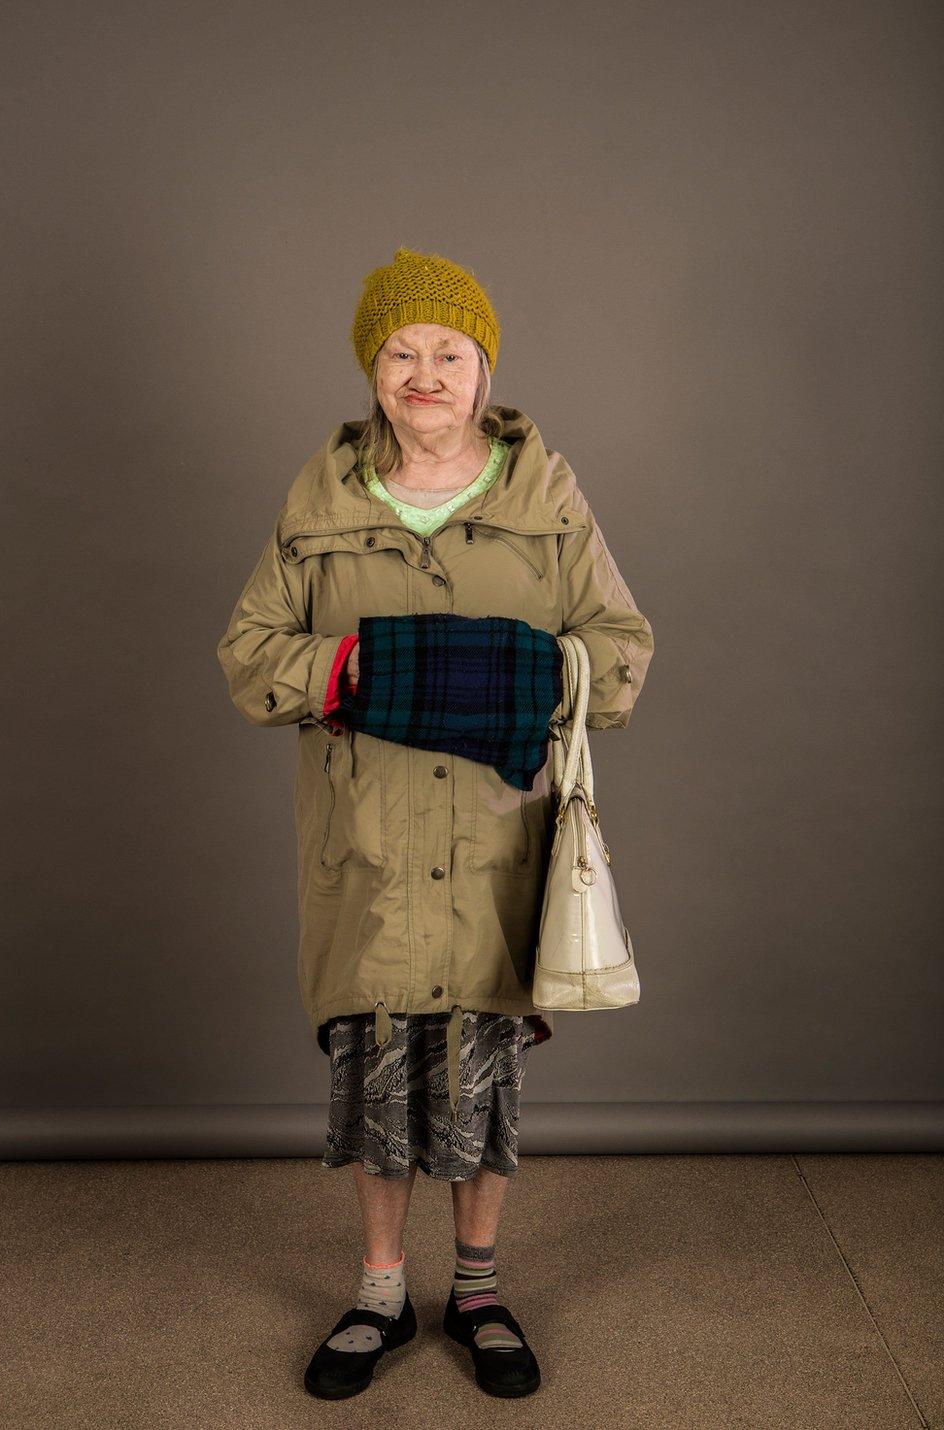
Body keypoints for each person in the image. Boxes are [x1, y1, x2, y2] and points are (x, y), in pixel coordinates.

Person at [216, 246, 655, 1400]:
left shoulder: (547, 499)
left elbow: (619, 658)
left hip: (499, 850)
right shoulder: (321, 500)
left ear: (483, 367)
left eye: (447, 352)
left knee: (480, 1074)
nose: (424, 373)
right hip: (363, 849)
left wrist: (516, 668)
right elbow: (249, 659)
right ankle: (376, 1292)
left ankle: (475, 1286)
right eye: (400, 351)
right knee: (377, 1073)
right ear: (372, 367)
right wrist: (364, 664)